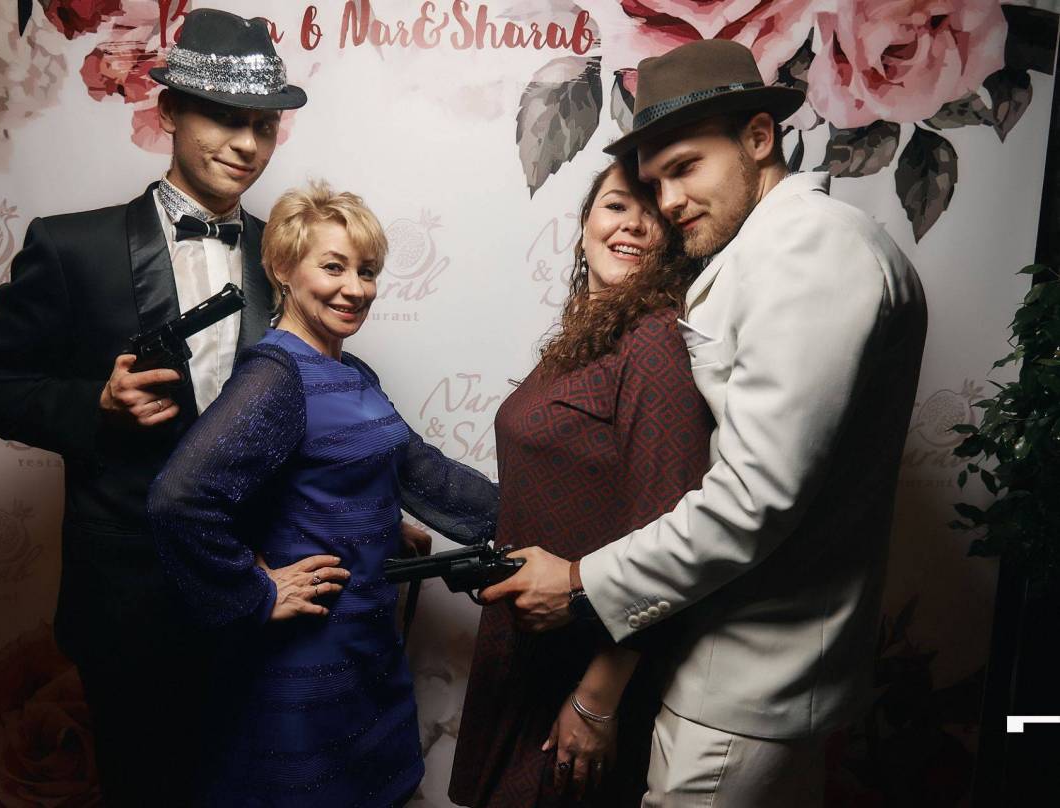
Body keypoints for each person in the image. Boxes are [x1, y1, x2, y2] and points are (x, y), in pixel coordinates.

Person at [482, 39, 928, 806]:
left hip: (747, 683)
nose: (667, 201)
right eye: (653, 182)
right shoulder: (771, 248)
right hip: (744, 674)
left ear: (757, 137)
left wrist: (582, 584)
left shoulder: (807, 246)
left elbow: (753, 500)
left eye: (684, 168)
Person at [0, 10, 319, 804]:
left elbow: (314, 411)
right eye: (225, 118)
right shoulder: (70, 247)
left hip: (260, 589)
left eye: (263, 125)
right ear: (170, 112)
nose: (246, 145)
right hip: (129, 605)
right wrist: (95, 404)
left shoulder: (286, 258)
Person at [147, 181, 499, 807]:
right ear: (283, 270)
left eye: (367, 271)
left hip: (369, 651)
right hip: (302, 666)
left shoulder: (352, 372)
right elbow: (179, 500)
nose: (355, 288)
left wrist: (543, 514)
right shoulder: (276, 375)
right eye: (334, 267)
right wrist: (254, 591)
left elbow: (422, 472)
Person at [448, 157, 712, 808]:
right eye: (617, 205)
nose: (633, 225)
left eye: (654, 213)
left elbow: (667, 535)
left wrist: (597, 698)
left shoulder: (654, 342)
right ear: (586, 222)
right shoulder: (584, 338)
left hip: (586, 663)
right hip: (528, 651)